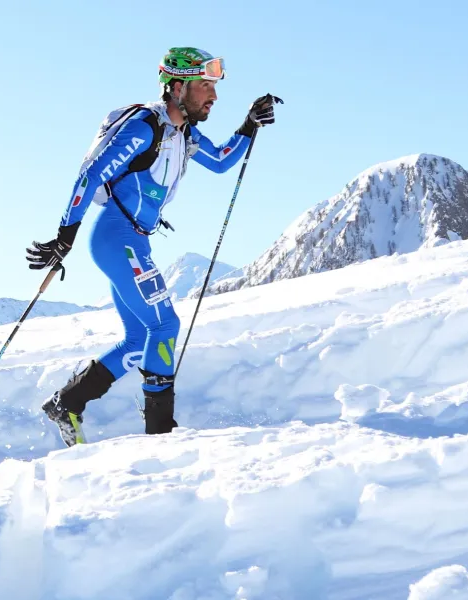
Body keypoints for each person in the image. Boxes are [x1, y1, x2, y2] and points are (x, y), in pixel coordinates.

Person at [26, 47, 279, 446]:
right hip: (116, 238)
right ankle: (160, 436)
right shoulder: (147, 127)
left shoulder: (183, 133)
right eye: (204, 86)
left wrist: (249, 124)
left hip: (132, 242)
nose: (212, 96)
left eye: (214, 87)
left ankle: (68, 402)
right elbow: (90, 176)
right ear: (177, 87)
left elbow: (221, 161)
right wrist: (64, 238)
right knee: (165, 325)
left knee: (140, 338)